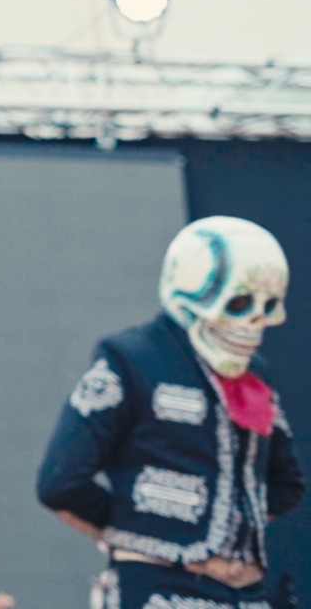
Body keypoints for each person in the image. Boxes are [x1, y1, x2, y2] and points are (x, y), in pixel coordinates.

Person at [37, 216, 306, 609]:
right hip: (159, 591)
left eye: (268, 306)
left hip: (247, 595)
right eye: (239, 302)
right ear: (189, 292)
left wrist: (228, 526)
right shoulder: (129, 359)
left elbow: (287, 484)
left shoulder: (253, 373)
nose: (255, 321)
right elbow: (59, 482)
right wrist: (142, 530)